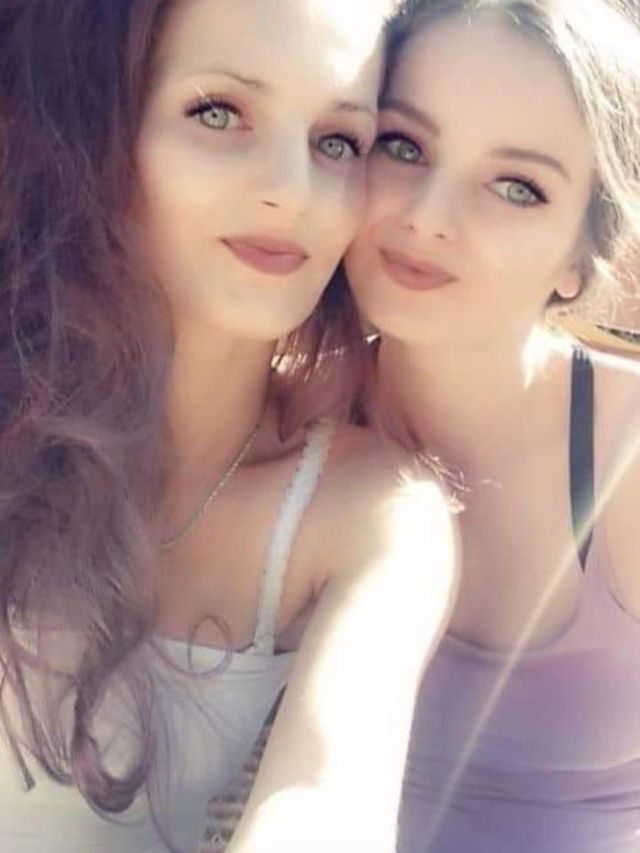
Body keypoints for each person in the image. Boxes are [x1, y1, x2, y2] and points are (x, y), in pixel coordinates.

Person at [0, 1, 459, 851]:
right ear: (96, 125)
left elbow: (327, 800)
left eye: (338, 141)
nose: (295, 189)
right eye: (218, 112)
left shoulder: (370, 511)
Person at [345, 0, 640, 850]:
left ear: (581, 257)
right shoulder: (269, 418)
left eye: (517, 187)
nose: (430, 215)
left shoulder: (628, 448)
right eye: (404, 146)